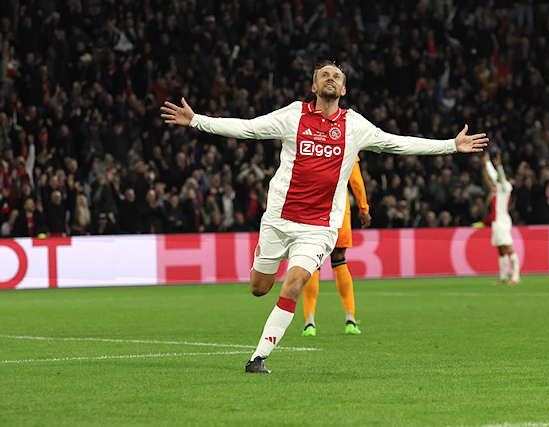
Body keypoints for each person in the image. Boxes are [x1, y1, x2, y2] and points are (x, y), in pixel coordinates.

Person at [161, 61, 488, 374]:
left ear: (343, 90)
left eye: (337, 76)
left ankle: (258, 357)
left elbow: (397, 144)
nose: (331, 78)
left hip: (318, 228)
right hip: (279, 220)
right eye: (324, 75)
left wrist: (450, 146)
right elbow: (248, 128)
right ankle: (266, 265)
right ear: (314, 86)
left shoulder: (355, 125)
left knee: (293, 285)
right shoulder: (293, 115)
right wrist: (197, 120)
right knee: (259, 288)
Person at [302, 156, 371, 337]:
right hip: (340, 210)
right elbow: (356, 181)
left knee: (314, 261)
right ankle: (350, 320)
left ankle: (309, 323)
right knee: (339, 259)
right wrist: (363, 209)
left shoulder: (314, 145)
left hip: (315, 208)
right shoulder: (348, 145)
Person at [482, 151, 520, 285]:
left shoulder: (506, 187)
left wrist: (499, 167)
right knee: (501, 249)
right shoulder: (498, 186)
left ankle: (516, 276)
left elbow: (500, 177)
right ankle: (503, 276)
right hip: (496, 222)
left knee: (508, 248)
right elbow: (494, 175)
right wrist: (487, 162)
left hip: (502, 221)